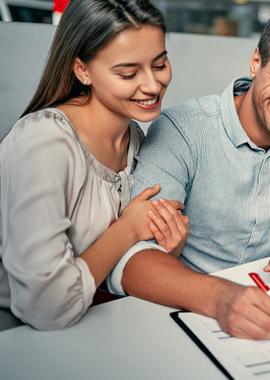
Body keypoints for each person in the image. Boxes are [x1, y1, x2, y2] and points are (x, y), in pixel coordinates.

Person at [103, 3, 270, 341]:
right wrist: (221, 298)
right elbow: (132, 259)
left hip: (264, 300)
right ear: (256, 62)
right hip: (181, 308)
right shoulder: (182, 131)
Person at [0, 0, 188, 331]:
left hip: (93, 322)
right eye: (128, 73)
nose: (152, 85)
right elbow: (44, 308)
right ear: (82, 70)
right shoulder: (44, 143)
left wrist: (168, 245)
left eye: (159, 65)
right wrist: (129, 229)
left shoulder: (134, 136)